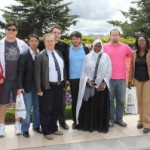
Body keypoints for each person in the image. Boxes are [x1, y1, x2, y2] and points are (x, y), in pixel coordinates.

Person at [76, 39, 112, 133]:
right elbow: (83, 71)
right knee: (90, 108)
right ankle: (90, 126)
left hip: (101, 88)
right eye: (95, 46)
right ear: (92, 46)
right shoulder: (87, 57)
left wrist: (103, 83)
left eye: (99, 46)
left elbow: (109, 71)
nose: (97, 48)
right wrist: (87, 81)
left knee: (100, 107)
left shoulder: (106, 57)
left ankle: (100, 126)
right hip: (90, 86)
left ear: (101, 47)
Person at [0, 22, 28, 137]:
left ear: (17, 31)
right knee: (3, 104)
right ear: (5, 30)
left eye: (13, 29)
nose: (11, 31)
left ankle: (17, 125)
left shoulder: (22, 44)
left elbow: (30, 55)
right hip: (5, 80)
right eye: (9, 29)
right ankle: (1, 126)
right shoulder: (0, 44)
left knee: (18, 104)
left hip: (18, 80)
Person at [35, 33, 65, 140]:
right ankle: (46, 131)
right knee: (46, 110)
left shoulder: (59, 54)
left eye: (52, 41)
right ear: (44, 42)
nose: (50, 43)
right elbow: (37, 74)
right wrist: (39, 89)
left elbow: (62, 69)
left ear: (55, 41)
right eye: (48, 41)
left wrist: (64, 82)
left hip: (59, 86)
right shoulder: (40, 55)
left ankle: (54, 128)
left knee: (56, 109)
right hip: (47, 87)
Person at [103, 29, 132, 127]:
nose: (114, 37)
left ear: (120, 36)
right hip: (109, 78)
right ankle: (111, 119)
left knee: (120, 100)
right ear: (110, 36)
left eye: (116, 35)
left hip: (121, 79)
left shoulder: (125, 47)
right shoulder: (104, 47)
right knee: (110, 100)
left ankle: (119, 119)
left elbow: (133, 56)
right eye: (113, 35)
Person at [17, 34, 42, 138]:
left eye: (36, 41)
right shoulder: (23, 55)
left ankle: (36, 126)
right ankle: (24, 129)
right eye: (32, 41)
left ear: (38, 42)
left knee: (38, 108)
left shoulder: (41, 54)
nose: (34, 43)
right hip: (27, 87)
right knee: (27, 109)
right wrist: (20, 86)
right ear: (28, 42)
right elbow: (20, 72)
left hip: (38, 87)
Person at [66, 31, 89, 129]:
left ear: (80, 39)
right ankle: (76, 120)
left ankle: (84, 120)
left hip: (84, 79)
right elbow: (65, 65)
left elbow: (90, 63)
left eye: (77, 38)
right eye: (73, 38)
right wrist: (66, 78)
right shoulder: (68, 50)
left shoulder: (85, 49)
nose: (75, 40)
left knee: (85, 100)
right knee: (75, 100)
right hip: (73, 79)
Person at [128, 36, 150, 134]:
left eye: (143, 40)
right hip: (137, 79)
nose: (141, 42)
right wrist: (129, 80)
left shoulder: (149, 53)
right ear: (137, 42)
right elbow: (131, 68)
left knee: (146, 102)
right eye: (140, 40)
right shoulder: (134, 54)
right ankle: (140, 120)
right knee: (139, 102)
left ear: (146, 42)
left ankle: (147, 124)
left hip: (148, 80)